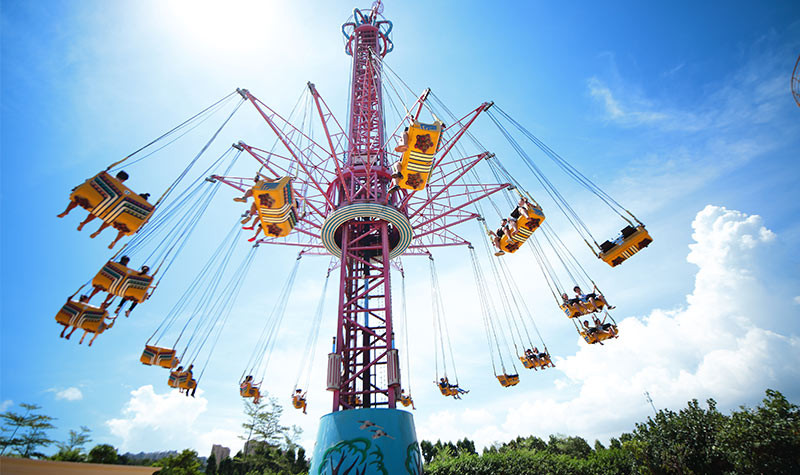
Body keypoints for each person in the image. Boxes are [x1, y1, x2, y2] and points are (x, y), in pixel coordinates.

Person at [58, 171, 129, 220]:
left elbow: (88, 181)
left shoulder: (104, 176)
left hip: (91, 195)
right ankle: (84, 223)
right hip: (100, 201)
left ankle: (67, 211)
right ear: (124, 180)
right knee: (97, 212)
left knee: (76, 200)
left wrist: (78, 187)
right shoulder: (121, 188)